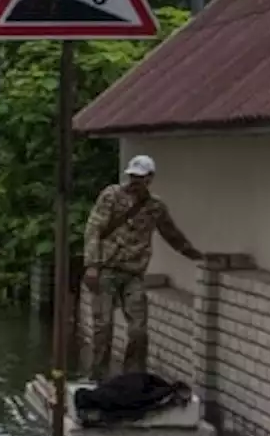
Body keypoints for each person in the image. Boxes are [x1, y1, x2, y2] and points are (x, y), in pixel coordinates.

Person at [82, 155, 204, 380]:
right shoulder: (111, 196)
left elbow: (171, 234)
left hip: (133, 274)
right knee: (104, 326)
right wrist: (91, 265)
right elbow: (93, 230)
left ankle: (133, 377)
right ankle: (97, 377)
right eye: (132, 177)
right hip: (107, 270)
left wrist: (194, 254)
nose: (134, 182)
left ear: (150, 179)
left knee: (138, 329)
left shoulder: (155, 207)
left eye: (140, 178)